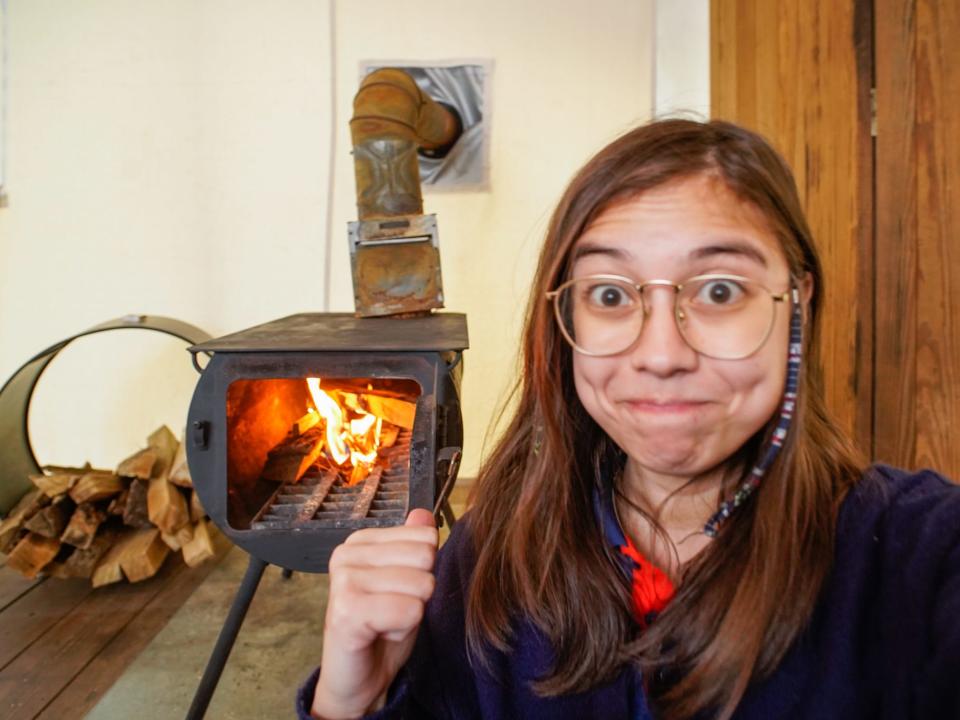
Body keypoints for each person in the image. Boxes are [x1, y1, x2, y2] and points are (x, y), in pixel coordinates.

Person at [299, 119, 960, 719]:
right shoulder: (495, 548)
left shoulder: (918, 555)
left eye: (720, 291)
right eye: (610, 294)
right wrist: (350, 702)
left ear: (798, 303)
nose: (662, 355)